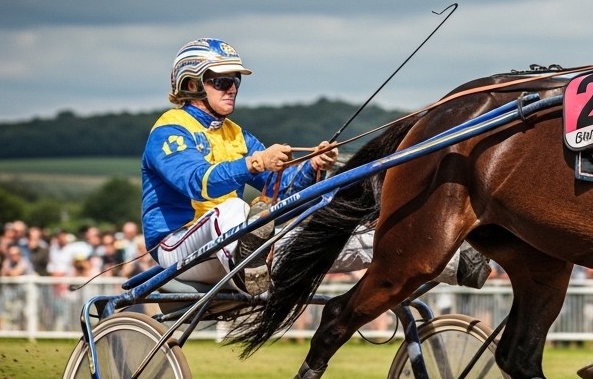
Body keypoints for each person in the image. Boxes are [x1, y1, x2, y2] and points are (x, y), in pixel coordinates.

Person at [142, 38, 489, 295]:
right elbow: (197, 182)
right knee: (235, 209)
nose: (232, 88)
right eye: (221, 81)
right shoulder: (170, 130)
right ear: (191, 84)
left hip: (234, 248)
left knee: (338, 233)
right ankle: (249, 268)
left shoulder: (236, 134)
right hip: (179, 248)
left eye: (236, 80)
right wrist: (255, 162)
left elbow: (283, 190)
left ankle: (454, 262)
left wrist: (311, 167)